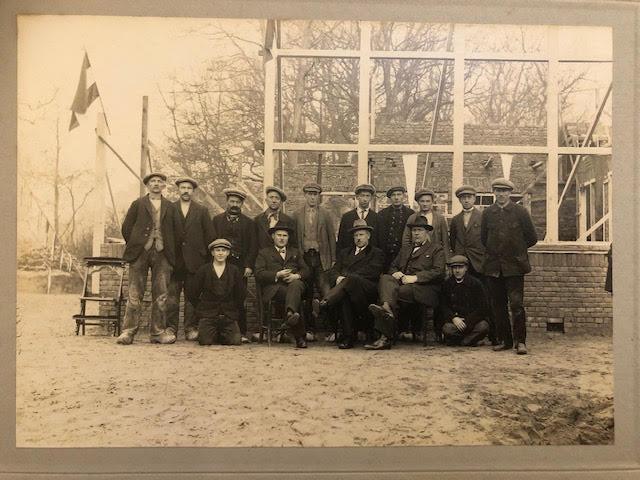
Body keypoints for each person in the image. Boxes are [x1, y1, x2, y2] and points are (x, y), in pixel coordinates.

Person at [116, 172, 181, 345]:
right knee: (134, 294)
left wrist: (167, 247)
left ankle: (157, 333)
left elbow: (177, 231)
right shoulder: (138, 204)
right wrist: (137, 243)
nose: (156, 184)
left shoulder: (171, 207)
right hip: (140, 253)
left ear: (164, 186)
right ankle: (128, 332)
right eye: (153, 181)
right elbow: (126, 228)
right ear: (147, 185)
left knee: (161, 295)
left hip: (163, 254)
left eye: (160, 181)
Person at [367, 216, 445, 350]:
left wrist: (415, 277)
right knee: (385, 278)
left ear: (427, 232)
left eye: (420, 230)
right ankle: (387, 309)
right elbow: (393, 266)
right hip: (403, 286)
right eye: (414, 230)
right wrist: (396, 273)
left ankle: (385, 336)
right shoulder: (406, 249)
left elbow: (438, 271)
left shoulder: (436, 249)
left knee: (394, 293)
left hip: (424, 289)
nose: (416, 233)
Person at [481, 177, 538, 355]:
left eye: (504, 191)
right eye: (498, 191)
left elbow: (532, 238)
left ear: (510, 193)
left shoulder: (520, 212)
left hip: (514, 267)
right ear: (494, 193)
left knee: (516, 304)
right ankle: (505, 341)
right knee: (498, 306)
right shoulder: (488, 213)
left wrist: (516, 252)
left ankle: (520, 342)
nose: (501, 194)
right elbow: (484, 239)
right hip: (494, 267)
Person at [313, 219, 385, 349]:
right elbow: (334, 270)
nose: (358, 238)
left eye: (361, 235)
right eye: (356, 235)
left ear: (368, 236)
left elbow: (373, 271)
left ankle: (325, 303)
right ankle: (348, 337)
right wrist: (338, 277)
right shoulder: (345, 252)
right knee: (345, 296)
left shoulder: (376, 253)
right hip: (346, 290)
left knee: (351, 280)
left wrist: (346, 278)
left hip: (366, 289)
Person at [166, 176, 214, 341]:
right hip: (174, 262)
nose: (186, 191)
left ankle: (190, 329)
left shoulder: (202, 211)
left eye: (189, 188)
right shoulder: (169, 209)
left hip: (195, 262)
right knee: (172, 298)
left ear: (193, 191)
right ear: (178, 190)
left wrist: (206, 262)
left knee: (192, 298)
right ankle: (170, 328)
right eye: (183, 188)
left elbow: (210, 237)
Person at [449, 184, 497, 344]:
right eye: (463, 198)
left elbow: (488, 240)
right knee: (463, 297)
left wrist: (484, 259)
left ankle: (492, 335)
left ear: (474, 199)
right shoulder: (455, 220)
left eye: (469, 197)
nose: (466, 200)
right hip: (462, 263)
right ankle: (467, 333)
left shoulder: (483, 217)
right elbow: (453, 241)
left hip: (478, 263)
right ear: (460, 200)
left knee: (485, 298)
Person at [211, 187, 258, 343]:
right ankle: (218, 331)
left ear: (242, 204)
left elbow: (253, 246)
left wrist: (249, 266)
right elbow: (211, 243)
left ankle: (242, 331)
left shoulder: (249, 223)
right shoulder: (217, 220)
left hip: (239, 266)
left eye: (238, 202)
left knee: (239, 297)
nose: (234, 204)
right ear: (227, 202)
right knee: (219, 295)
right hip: (220, 264)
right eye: (232, 201)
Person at [254, 222, 310, 349]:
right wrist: (277, 274)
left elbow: (306, 270)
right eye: (279, 235)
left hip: (294, 286)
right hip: (274, 289)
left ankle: (290, 314)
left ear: (288, 237)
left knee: (295, 285)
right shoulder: (264, 253)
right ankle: (299, 336)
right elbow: (259, 273)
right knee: (294, 294)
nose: (282, 238)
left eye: (285, 235)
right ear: (273, 236)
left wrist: (296, 276)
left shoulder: (295, 252)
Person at [292, 182, 335, 342]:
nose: (312, 197)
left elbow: (331, 238)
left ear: (319, 197)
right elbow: (294, 241)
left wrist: (332, 260)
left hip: (321, 258)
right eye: (309, 194)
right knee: (307, 294)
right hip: (304, 259)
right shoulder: (296, 215)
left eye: (315, 194)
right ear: (305, 195)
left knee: (327, 292)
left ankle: (332, 330)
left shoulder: (325, 214)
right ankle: (308, 330)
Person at [185, 239, 246, 346]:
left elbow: (240, 294)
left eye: (223, 250)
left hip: (228, 315)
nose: (220, 253)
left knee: (235, 341)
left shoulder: (234, 271)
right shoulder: (203, 270)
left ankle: (221, 334)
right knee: (205, 341)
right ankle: (213, 333)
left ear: (228, 253)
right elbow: (192, 293)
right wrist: (202, 307)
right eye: (217, 250)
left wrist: (232, 308)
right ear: (212, 253)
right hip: (208, 315)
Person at [440, 255, 490, 347]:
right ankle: (471, 341)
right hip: (456, 322)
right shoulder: (447, 284)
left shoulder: (476, 283)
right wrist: (454, 318)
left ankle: (462, 341)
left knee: (483, 326)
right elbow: (444, 305)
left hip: (473, 321)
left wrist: (468, 321)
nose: (457, 271)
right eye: (454, 268)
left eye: (460, 267)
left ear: (466, 268)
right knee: (447, 329)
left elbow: (483, 307)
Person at [402, 188, 451, 262]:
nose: (425, 204)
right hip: (416, 256)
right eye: (422, 201)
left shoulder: (440, 218)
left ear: (432, 202)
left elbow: (445, 241)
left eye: (428, 201)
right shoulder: (412, 218)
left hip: (435, 255)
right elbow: (406, 239)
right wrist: (406, 257)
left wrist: (447, 261)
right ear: (418, 202)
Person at [376, 186, 414, 272]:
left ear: (403, 196)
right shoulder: (382, 214)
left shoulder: (410, 213)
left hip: (403, 253)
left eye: (399, 194)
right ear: (390, 198)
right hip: (386, 253)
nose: (396, 197)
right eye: (393, 195)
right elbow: (379, 235)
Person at [336, 183, 379, 256]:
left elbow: (379, 240)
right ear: (357, 197)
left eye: (367, 196)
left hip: (370, 258)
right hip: (350, 258)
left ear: (371, 198)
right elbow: (341, 240)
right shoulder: (347, 217)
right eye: (362, 195)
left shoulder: (377, 217)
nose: (365, 199)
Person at [254, 186, 296, 250]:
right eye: (271, 197)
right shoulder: (257, 220)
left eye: (277, 198)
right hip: (262, 258)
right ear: (266, 200)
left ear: (281, 202)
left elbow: (292, 244)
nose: (274, 201)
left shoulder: (288, 221)